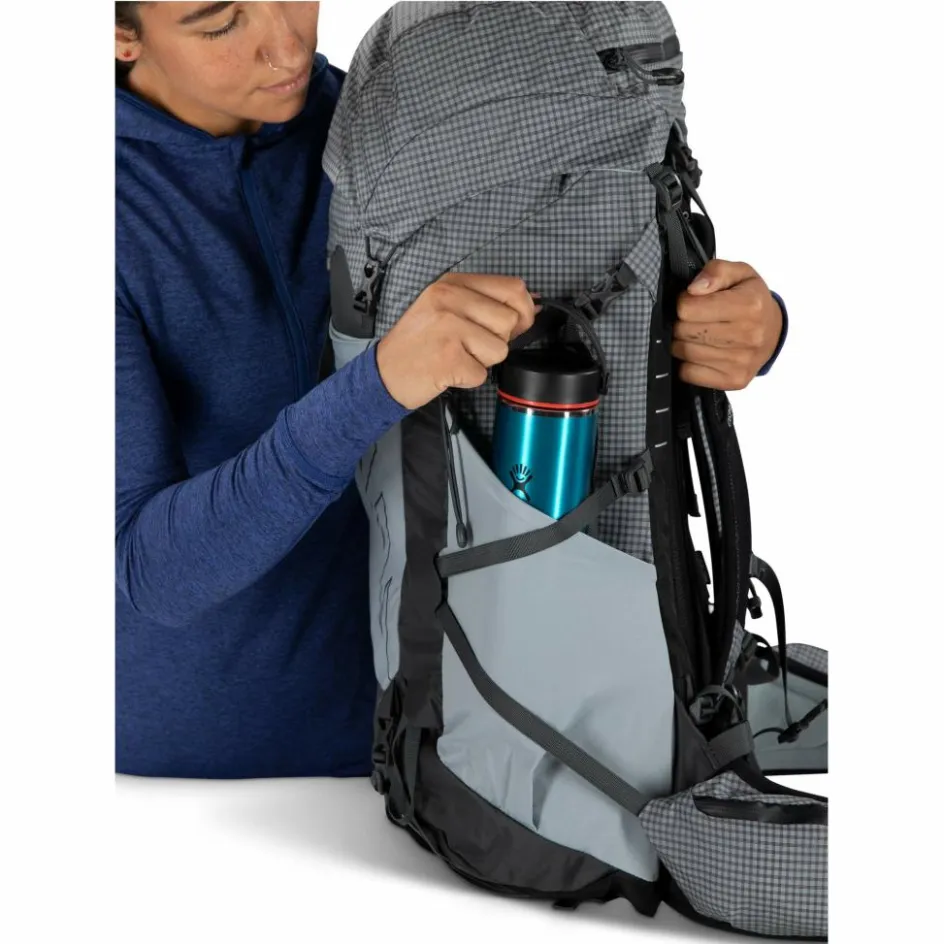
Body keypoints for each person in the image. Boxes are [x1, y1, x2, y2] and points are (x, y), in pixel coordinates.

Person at [115, 1, 787, 779]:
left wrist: (739, 325)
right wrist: (377, 385)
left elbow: (582, 282)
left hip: (501, 728)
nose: (287, 47)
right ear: (119, 34)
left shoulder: (394, 132)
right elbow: (149, 574)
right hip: (222, 758)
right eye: (219, 23)